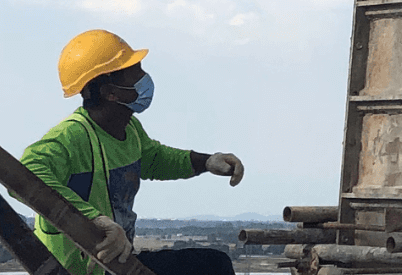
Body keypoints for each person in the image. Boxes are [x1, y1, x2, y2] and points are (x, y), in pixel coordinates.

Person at [21, 30, 244, 275]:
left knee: (214, 264)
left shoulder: (128, 127)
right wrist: (95, 220)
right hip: (82, 270)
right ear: (110, 92)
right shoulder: (71, 137)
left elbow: (153, 158)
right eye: (135, 73)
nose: (144, 78)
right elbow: (26, 174)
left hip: (118, 264)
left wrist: (207, 162)